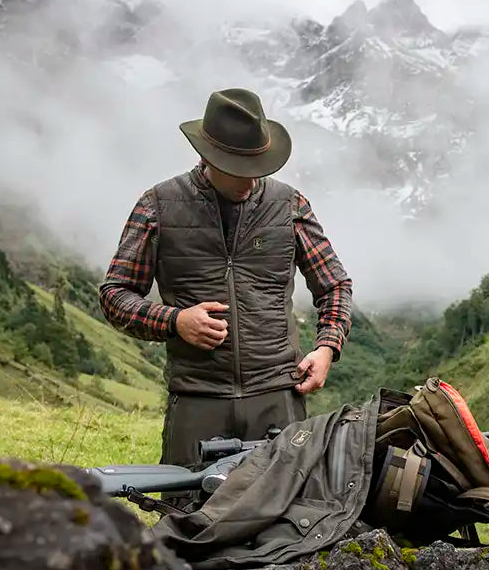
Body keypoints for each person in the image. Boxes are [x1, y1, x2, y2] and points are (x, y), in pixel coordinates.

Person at [99, 87, 353, 466]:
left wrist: (326, 348)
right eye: (238, 170)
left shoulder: (289, 205)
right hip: (197, 401)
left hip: (279, 399)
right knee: (188, 519)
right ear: (206, 156)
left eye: (258, 169)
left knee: (283, 520)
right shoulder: (158, 206)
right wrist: (174, 321)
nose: (249, 183)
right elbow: (114, 294)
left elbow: (335, 284)